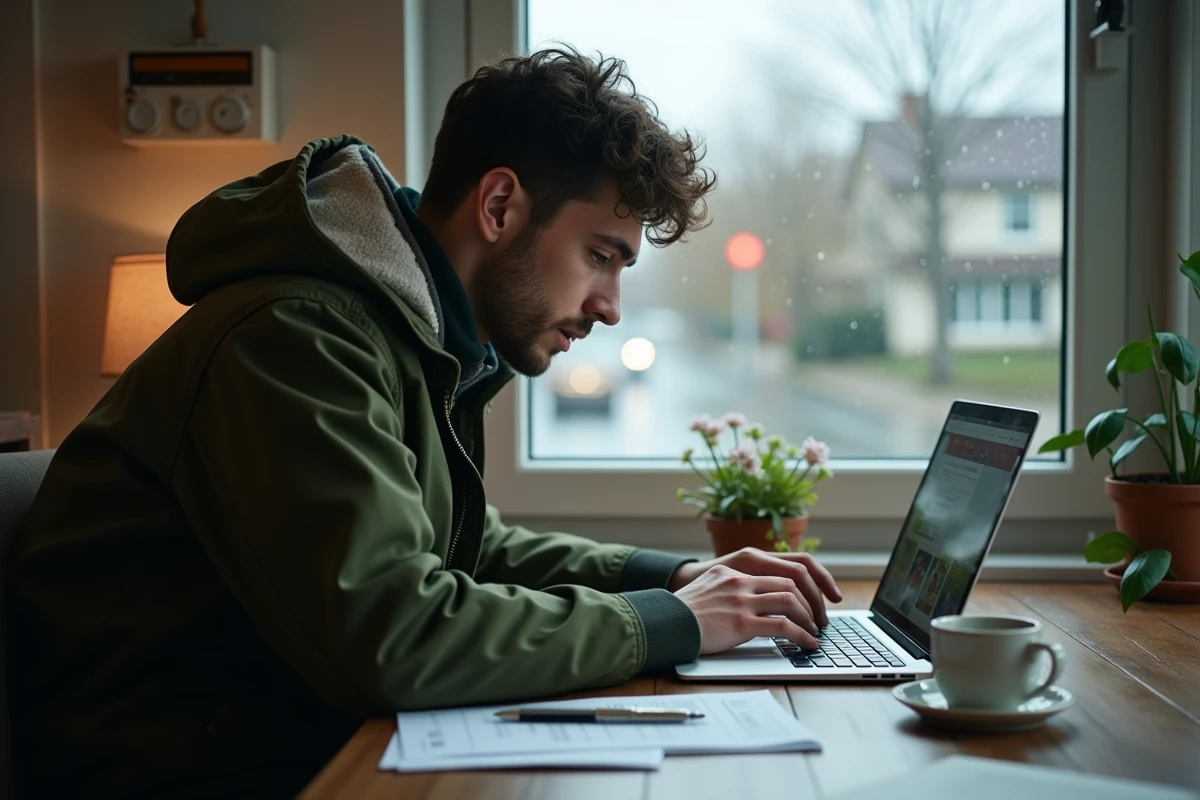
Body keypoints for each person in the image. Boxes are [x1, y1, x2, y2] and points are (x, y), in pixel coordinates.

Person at [8, 47, 842, 798]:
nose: (611, 309)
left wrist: (674, 581)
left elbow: (466, 548)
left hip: (288, 741)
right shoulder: (297, 337)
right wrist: (681, 623)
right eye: (601, 255)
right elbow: (392, 634)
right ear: (501, 205)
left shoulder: (413, 336)